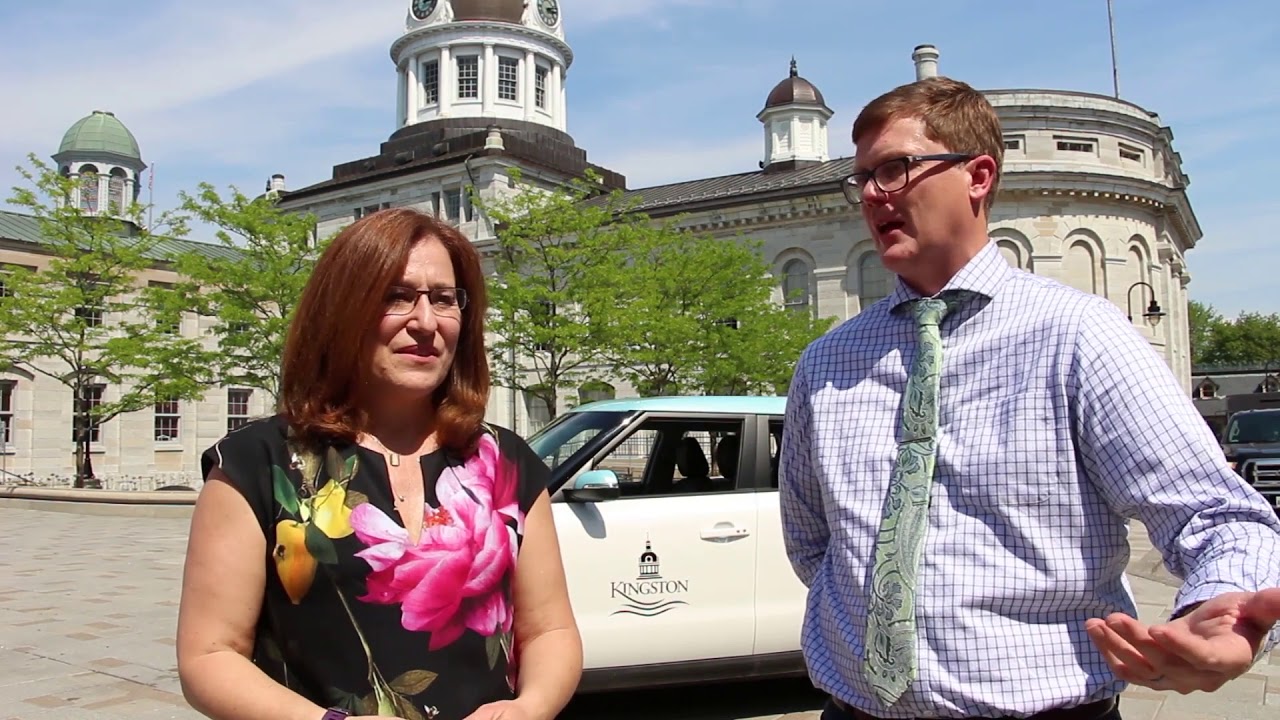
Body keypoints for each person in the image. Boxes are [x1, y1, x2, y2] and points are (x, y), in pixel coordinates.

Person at [778, 76, 1280, 720]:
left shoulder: (1078, 335)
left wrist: (1223, 603)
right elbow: (814, 542)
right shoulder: (828, 361)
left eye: (896, 168)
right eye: (863, 178)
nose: (873, 195)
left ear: (978, 176)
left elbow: (1215, 515)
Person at [176, 208, 582, 720]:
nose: (426, 322)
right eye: (397, 296)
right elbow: (209, 655)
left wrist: (530, 708)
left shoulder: (505, 463)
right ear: (341, 310)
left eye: (443, 299)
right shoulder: (257, 463)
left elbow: (550, 630)